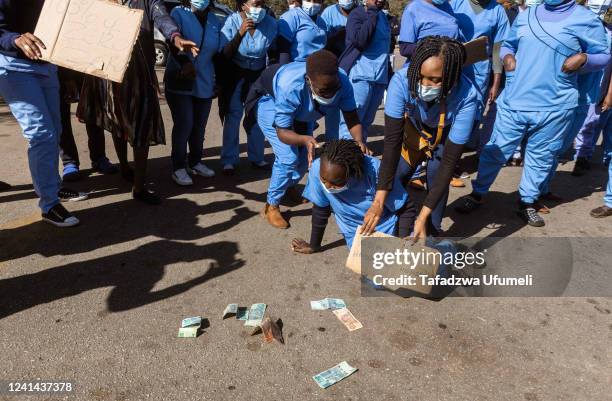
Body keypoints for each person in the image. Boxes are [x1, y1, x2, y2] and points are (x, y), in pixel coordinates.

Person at [455, 0, 610, 227]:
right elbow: (509, 44)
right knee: (495, 150)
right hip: (515, 98)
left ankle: (527, 202)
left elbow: (603, 55)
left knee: (542, 156)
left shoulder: (585, 19)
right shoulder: (527, 15)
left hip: (556, 104)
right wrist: (508, 58)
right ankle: (477, 194)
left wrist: (584, 59)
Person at [78, 0, 198, 203]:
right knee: (117, 124)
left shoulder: (147, 1)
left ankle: (139, 187)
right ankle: (125, 167)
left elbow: (162, 18)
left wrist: (175, 37)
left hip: (139, 76)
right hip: (109, 72)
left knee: (142, 127)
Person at [361, 36, 478, 239]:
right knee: (398, 174)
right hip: (413, 130)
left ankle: (432, 228)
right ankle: (394, 222)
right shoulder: (401, 81)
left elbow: (449, 162)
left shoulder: (467, 96)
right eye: (421, 77)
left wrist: (423, 215)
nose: (425, 84)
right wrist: (378, 202)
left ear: (452, 77)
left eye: (436, 80)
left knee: (436, 174)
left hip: (445, 136)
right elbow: (391, 144)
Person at [255, 50, 369, 229]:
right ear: (309, 81)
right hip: (271, 104)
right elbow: (282, 131)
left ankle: (288, 186)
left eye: (334, 89)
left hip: (304, 113)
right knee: (288, 159)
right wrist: (305, 139)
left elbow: (352, 117)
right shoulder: (290, 86)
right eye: (324, 91)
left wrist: (359, 141)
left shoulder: (343, 81)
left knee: (304, 160)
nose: (330, 95)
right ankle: (271, 205)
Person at [0, 0, 80, 226]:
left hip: (47, 65)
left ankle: (53, 188)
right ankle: (49, 204)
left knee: (55, 130)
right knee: (41, 134)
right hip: (13, 67)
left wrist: (68, 77)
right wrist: (15, 38)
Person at [291, 139, 414, 253]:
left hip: (389, 227)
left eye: (336, 183)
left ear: (353, 173)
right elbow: (320, 209)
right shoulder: (317, 169)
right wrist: (314, 245)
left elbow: (406, 208)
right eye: (324, 180)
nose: (328, 186)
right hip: (355, 234)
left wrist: (402, 244)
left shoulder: (375, 171)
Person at [164, 0, 222, 186]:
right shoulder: (178, 13)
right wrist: (184, 63)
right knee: (184, 124)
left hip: (204, 80)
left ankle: (195, 162)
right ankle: (178, 167)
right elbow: (172, 42)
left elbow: (218, 53)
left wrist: (218, 81)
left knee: (199, 126)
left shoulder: (214, 19)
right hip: (181, 77)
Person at [218, 0, 277, 176]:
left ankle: (257, 158)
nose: (259, 8)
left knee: (257, 117)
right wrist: (240, 32)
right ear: (243, 5)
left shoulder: (271, 23)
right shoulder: (232, 21)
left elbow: (273, 53)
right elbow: (224, 54)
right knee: (233, 116)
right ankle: (229, 160)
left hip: (258, 76)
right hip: (236, 75)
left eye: (262, 4)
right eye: (255, 4)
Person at [337, 0, 391, 143]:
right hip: (360, 77)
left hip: (379, 78)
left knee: (366, 123)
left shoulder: (383, 17)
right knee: (352, 124)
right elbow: (359, 41)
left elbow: (385, 49)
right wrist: (372, 12)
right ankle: (345, 161)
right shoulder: (357, 14)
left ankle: (358, 157)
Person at [572, 0, 612, 176]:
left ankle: (597, 155)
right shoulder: (585, 24)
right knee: (589, 118)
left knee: (600, 118)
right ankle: (582, 155)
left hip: (604, 80)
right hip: (588, 80)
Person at [58, 68, 119, 182]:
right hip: (58, 68)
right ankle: (69, 162)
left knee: (94, 113)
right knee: (61, 117)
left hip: (88, 69)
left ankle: (99, 158)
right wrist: (67, 77)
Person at [317, 0, 354, 141]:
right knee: (332, 106)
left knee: (350, 103)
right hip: (335, 64)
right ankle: (332, 141)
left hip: (354, 66)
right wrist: (337, 36)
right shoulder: (329, 13)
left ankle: (349, 142)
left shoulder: (359, 11)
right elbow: (322, 41)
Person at [398, 0, 463, 61]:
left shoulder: (446, 6)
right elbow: (405, 48)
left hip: (450, 66)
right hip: (425, 68)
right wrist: (436, 49)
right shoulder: (413, 8)